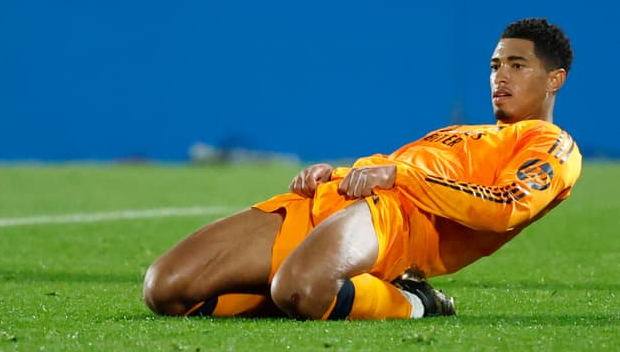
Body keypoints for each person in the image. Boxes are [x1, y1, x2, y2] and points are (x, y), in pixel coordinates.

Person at [142, 17, 580, 321]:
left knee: (302, 289)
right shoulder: (463, 131)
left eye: (516, 65)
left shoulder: (551, 144)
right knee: (167, 290)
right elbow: (391, 167)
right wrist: (334, 175)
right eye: (494, 66)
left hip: (398, 221)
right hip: (338, 202)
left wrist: (399, 177)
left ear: (554, 79)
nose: (500, 77)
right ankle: (324, 282)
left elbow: (504, 208)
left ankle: (414, 302)